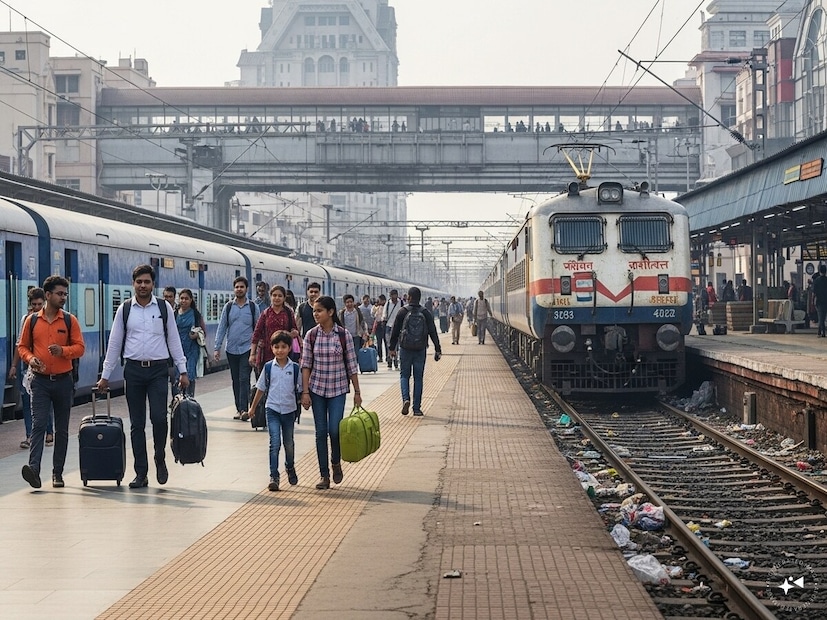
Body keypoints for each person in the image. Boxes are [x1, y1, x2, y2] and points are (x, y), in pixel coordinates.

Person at [97, 264, 189, 489]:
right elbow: (115, 342)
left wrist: (183, 370)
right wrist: (105, 375)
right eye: (139, 282)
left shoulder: (164, 308)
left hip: (158, 370)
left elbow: (174, 340)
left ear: (153, 284)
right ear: (133, 284)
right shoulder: (125, 309)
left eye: (147, 282)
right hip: (134, 371)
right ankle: (141, 472)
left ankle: (159, 456)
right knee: (137, 424)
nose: (143, 286)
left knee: (159, 418)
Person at [17, 276, 85, 489]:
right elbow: (22, 347)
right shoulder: (32, 321)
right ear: (48, 295)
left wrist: (63, 351)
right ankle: (34, 470)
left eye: (65, 294)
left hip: (63, 381)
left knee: (62, 429)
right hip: (40, 382)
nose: (63, 297)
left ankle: (58, 473)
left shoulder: (69, 320)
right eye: (59, 293)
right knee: (38, 425)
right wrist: (30, 359)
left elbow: (80, 347)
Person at [299, 296, 362, 490]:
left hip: (338, 389)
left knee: (334, 430)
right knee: (320, 433)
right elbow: (306, 366)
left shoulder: (343, 336)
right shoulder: (311, 335)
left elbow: (352, 366)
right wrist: (305, 392)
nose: (315, 314)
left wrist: (357, 392)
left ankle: (336, 461)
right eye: (314, 311)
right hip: (317, 389)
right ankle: (324, 475)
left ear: (331, 312)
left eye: (319, 311)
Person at [248, 331, 300, 492]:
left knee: (289, 443)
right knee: (274, 443)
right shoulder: (269, 367)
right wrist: (253, 407)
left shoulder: (295, 368)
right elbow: (261, 388)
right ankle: (274, 476)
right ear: (272, 348)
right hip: (272, 409)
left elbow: (301, 389)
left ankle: (289, 466)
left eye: (283, 347)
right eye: (276, 347)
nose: (280, 350)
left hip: (289, 410)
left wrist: (306, 400)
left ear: (289, 348)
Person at [8, 288, 54, 450]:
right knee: (28, 402)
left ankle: (49, 431)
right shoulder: (27, 319)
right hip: (28, 369)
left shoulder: (53, 318)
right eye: (34, 304)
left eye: (39, 304)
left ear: (45, 302)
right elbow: (20, 345)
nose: (36, 307)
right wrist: (14, 365)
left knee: (45, 402)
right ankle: (29, 436)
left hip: (47, 368)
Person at [388, 286, 442, 417]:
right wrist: (437, 348)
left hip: (405, 348)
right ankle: (416, 408)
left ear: (409, 297)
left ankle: (406, 399)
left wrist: (391, 348)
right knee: (418, 378)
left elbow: (395, 331)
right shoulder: (425, 312)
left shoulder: (402, 311)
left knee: (404, 375)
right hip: (420, 349)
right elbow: (432, 331)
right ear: (419, 298)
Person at [214, 276, 260, 420]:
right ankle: (238, 408)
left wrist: (257, 348)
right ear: (234, 289)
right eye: (237, 287)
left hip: (247, 348)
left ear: (246, 289)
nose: (239, 289)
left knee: (244, 378)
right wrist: (217, 347)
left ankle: (243, 409)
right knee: (235, 380)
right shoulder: (228, 307)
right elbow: (222, 327)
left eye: (242, 287)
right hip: (231, 349)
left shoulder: (253, 307)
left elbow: (258, 328)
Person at [250, 285, 299, 389]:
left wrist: (291, 334)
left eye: (280, 296)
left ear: (284, 298)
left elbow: (295, 329)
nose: (277, 298)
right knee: (267, 383)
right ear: (270, 296)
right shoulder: (266, 313)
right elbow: (256, 333)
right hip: (267, 353)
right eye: (274, 295)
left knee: (284, 382)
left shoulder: (288, 313)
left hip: (285, 352)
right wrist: (253, 354)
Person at [173, 289, 206, 397]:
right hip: (178, 349)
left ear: (191, 300)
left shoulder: (196, 315)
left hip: (192, 349)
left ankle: (189, 399)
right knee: (177, 375)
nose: (184, 301)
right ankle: (177, 401)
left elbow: (203, 331)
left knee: (189, 374)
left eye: (186, 298)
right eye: (182, 298)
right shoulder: (174, 314)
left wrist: (197, 335)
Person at [383, 289, 403, 369]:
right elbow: (384, 314)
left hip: (398, 326)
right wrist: (384, 318)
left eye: (394, 295)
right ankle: (390, 360)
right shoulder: (388, 303)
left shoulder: (401, 303)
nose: (392, 297)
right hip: (389, 326)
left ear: (397, 295)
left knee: (397, 345)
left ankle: (395, 361)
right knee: (389, 344)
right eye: (391, 296)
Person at [371, 294, 387, 362]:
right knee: (379, 342)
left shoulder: (386, 306)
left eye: (380, 300)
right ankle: (380, 357)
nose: (379, 301)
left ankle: (387, 356)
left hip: (384, 324)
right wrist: (375, 307)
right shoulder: (377, 307)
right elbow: (373, 314)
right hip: (378, 325)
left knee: (386, 342)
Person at [814, 264, 827, 337]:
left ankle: (822, 332)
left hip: (819, 301)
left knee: (820, 316)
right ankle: (820, 331)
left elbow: (814, 292)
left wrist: (813, 300)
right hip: (826, 300)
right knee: (822, 316)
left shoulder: (816, 280)